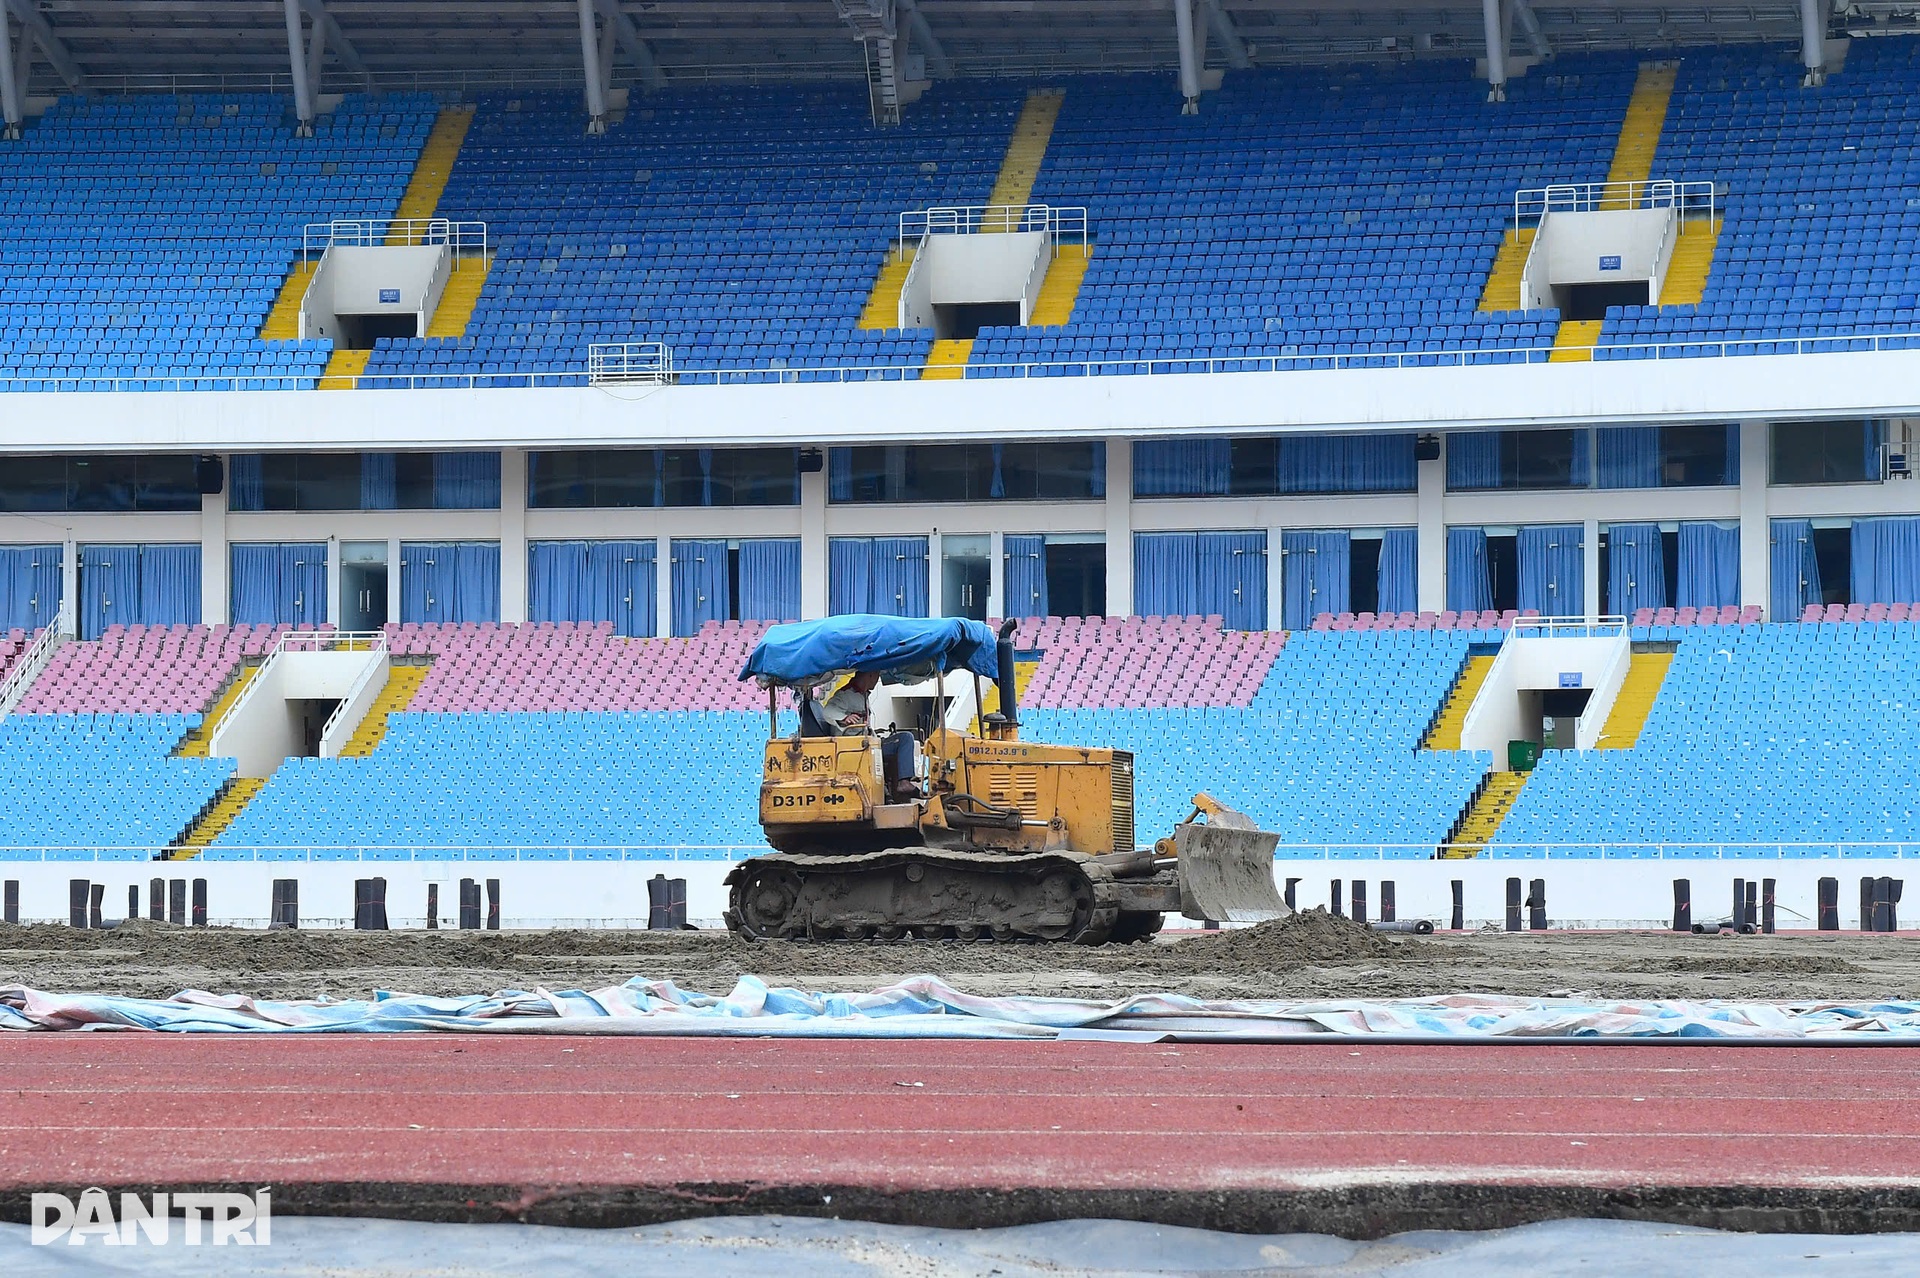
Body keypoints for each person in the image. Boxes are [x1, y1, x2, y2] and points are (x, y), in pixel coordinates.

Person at [817, 670, 918, 799]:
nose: (877, 680)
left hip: (867, 743)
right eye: (877, 676)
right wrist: (844, 718)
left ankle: (892, 791)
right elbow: (828, 711)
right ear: (870, 674)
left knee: (903, 738)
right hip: (855, 747)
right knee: (905, 739)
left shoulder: (862, 695)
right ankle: (902, 784)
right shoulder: (846, 694)